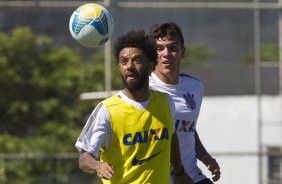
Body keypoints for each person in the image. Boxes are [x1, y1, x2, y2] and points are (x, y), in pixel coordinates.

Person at [75, 30, 190, 184]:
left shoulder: (166, 102)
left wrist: (179, 171)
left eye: (137, 60)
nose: (129, 66)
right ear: (119, 68)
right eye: (124, 61)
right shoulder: (108, 110)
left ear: (151, 65)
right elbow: (84, 158)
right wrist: (97, 165)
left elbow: (171, 136)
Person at [148, 22, 221, 184]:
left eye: (173, 48)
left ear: (183, 52)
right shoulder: (144, 91)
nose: (166, 53)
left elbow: (187, 128)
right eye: (159, 48)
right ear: (152, 54)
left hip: (191, 177)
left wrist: (204, 156)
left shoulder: (195, 87)